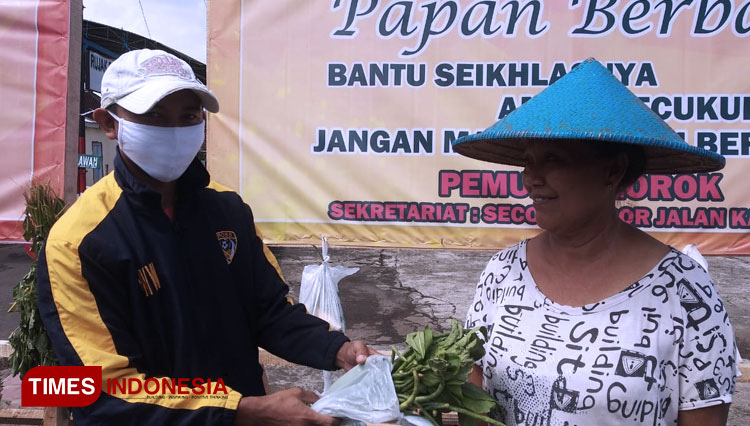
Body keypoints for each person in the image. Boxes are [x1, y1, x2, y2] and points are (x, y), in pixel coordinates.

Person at [37, 49, 375, 426]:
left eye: (188, 117)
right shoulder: (79, 242)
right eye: (153, 117)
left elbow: (269, 311)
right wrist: (242, 410)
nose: (174, 131)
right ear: (109, 123)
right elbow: (103, 390)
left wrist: (339, 350)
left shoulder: (227, 209)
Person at [456, 59, 738, 426]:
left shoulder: (685, 291)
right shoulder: (503, 273)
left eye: (553, 159)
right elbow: (475, 398)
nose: (531, 179)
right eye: (528, 161)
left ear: (613, 170)